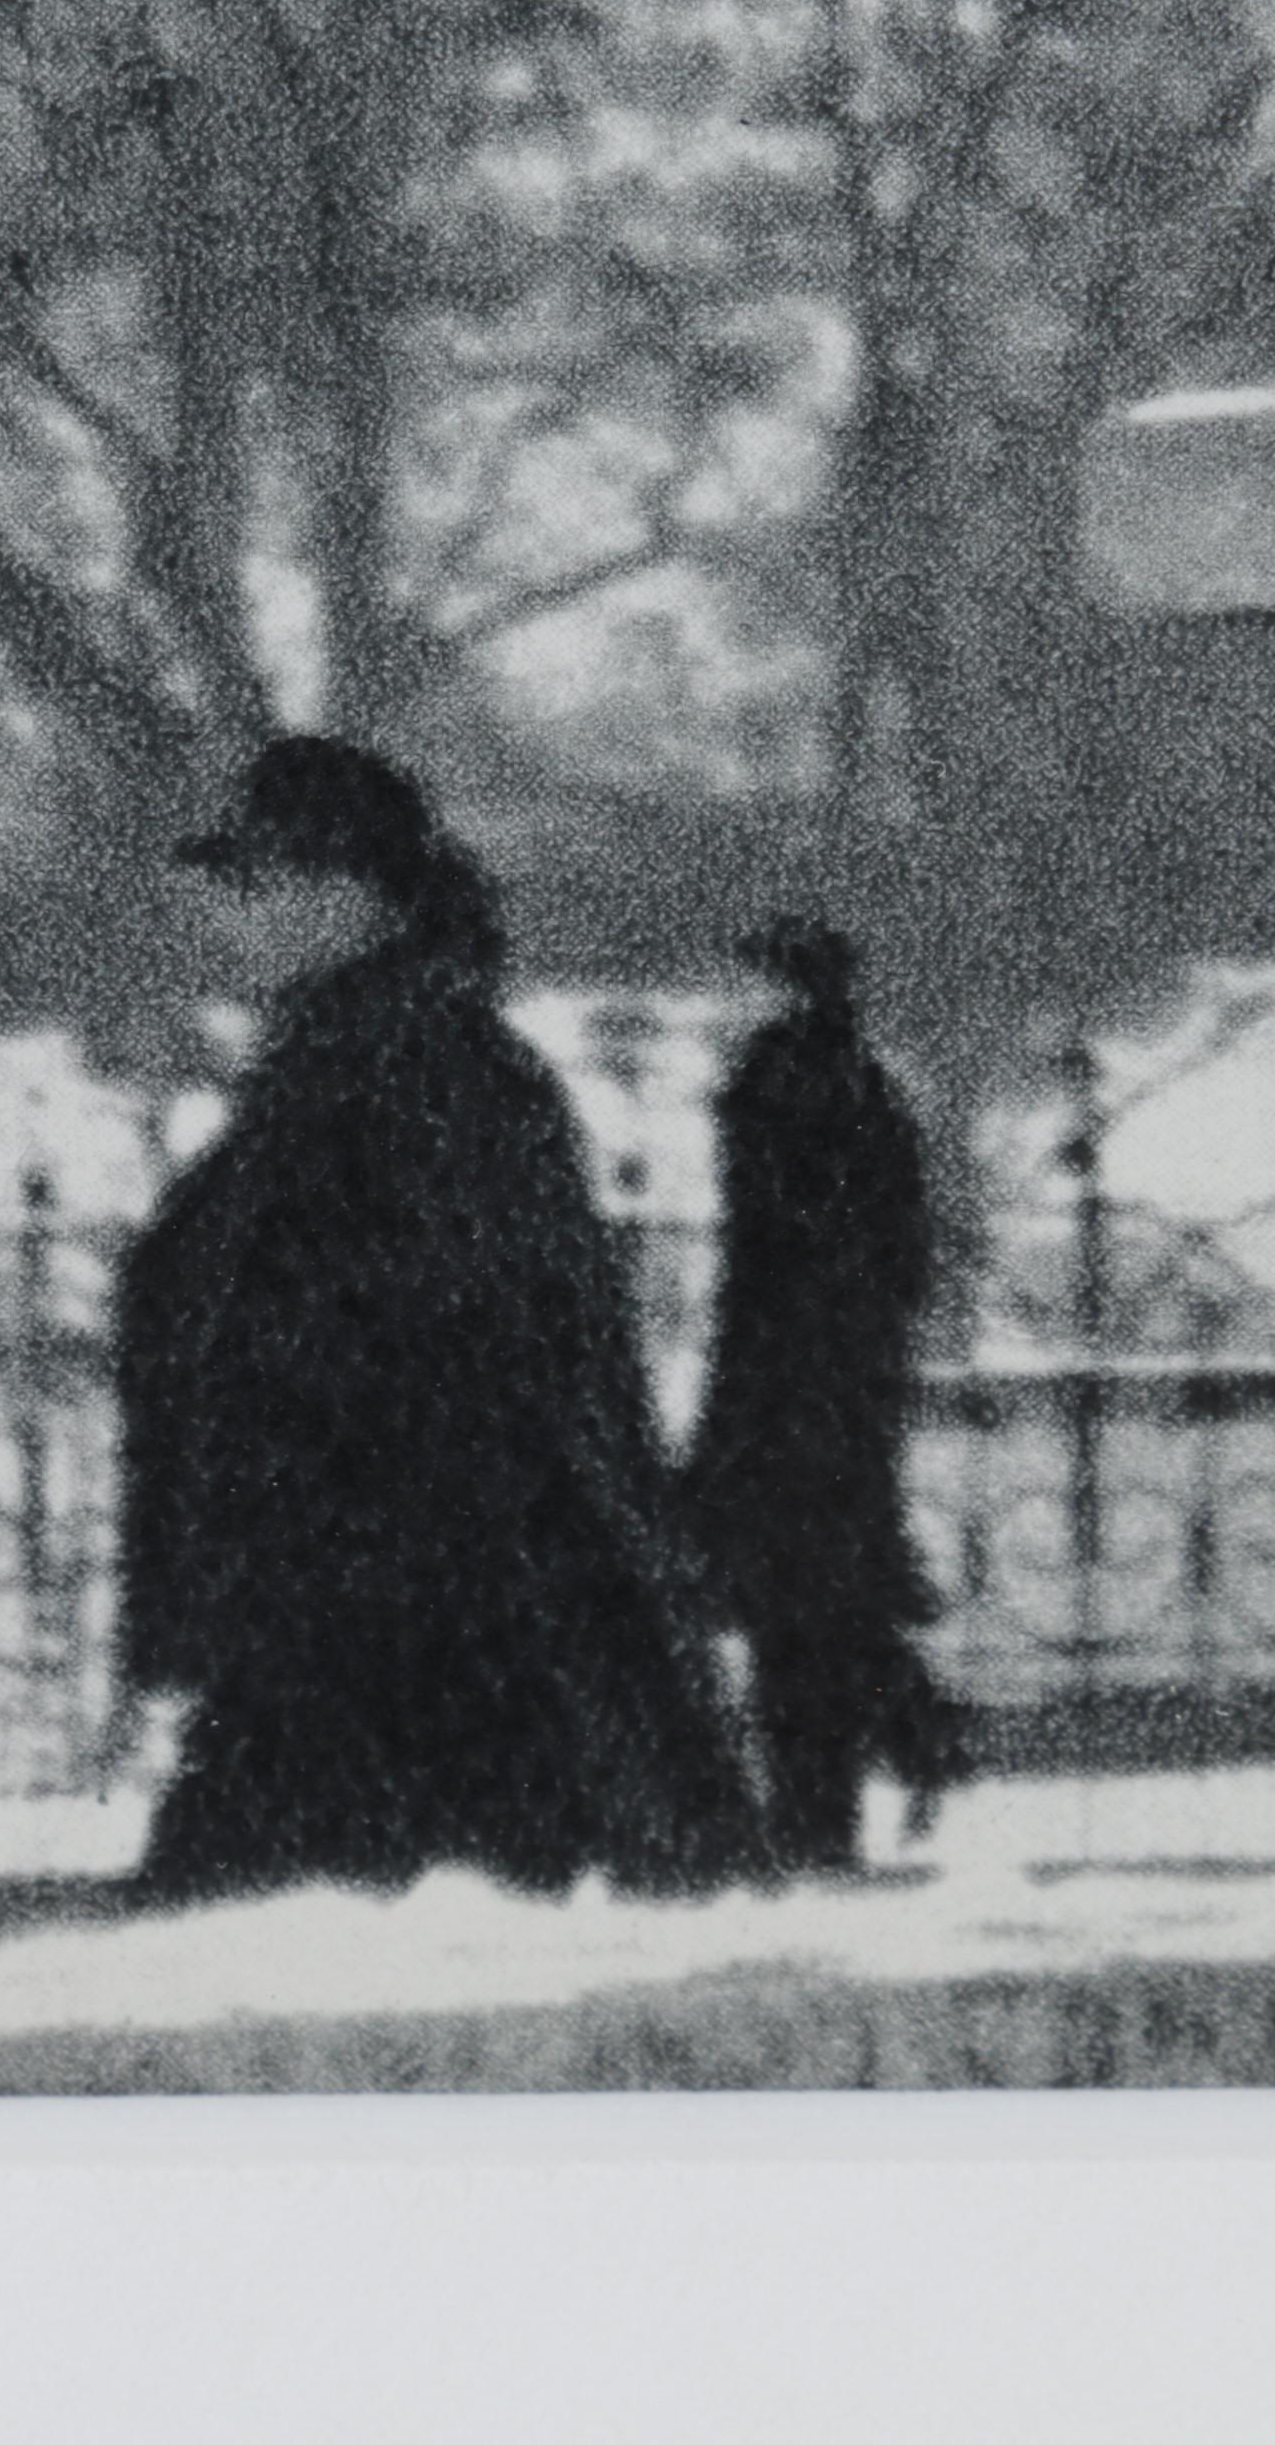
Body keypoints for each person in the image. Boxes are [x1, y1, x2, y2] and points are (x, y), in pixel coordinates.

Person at [113, 737, 764, 1906]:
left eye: (255, 886)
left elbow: (487, 1342)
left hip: (427, 1624)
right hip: (351, 1614)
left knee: (326, 1953)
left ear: (348, 892)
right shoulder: (336, 1059)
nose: (232, 919)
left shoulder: (433, 1064)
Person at [688, 914, 974, 1870]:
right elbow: (894, 1254)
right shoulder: (849, 1083)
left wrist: (758, 1400)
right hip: (835, 1387)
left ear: (784, 990)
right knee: (819, 1600)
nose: (722, 1002)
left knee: (795, 1606)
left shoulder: (788, 1090)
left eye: (742, 982)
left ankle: (828, 1806)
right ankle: (901, 1744)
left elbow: (781, 1265)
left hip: (793, 1392)